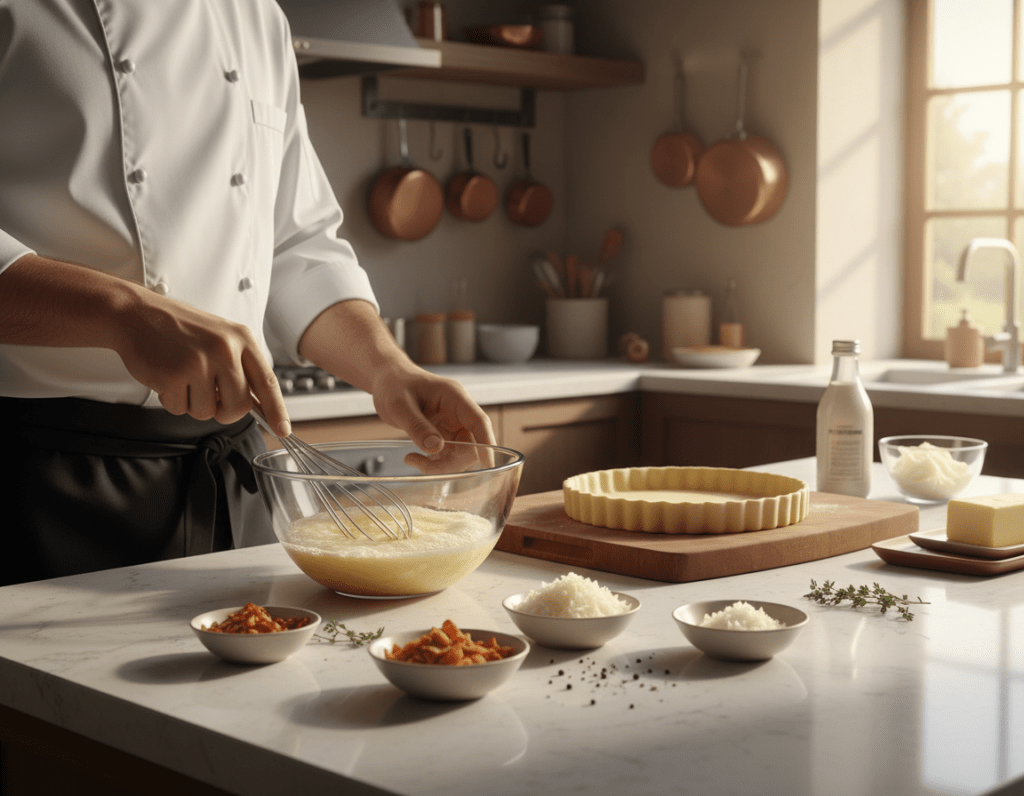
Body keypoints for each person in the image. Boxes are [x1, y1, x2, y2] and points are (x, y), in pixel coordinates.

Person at [0, 0, 494, 586]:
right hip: (38, 479)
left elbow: (295, 244)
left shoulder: (257, 15)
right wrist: (124, 312)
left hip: (233, 477)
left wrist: (390, 371)